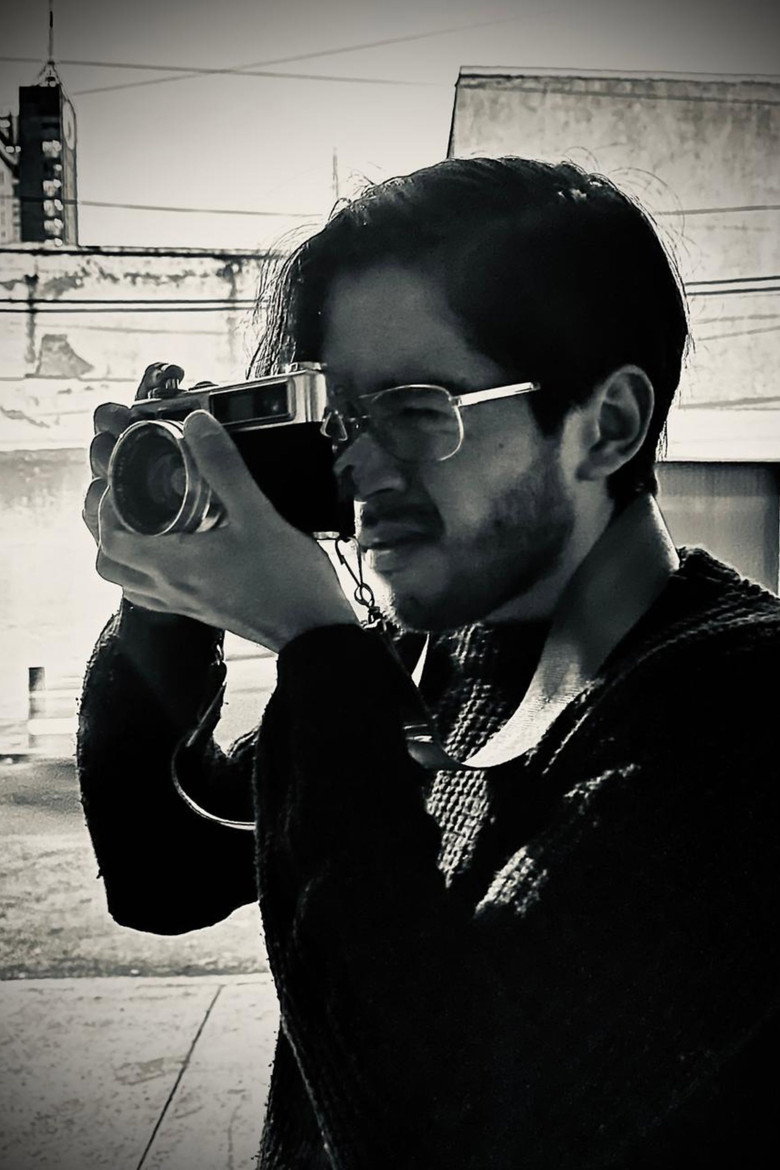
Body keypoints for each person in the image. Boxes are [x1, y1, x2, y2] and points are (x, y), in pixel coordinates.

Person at [79, 156, 779, 1169]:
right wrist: (163, 595)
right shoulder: (427, 655)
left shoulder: (743, 714)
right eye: (339, 419)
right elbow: (161, 875)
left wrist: (316, 648)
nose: (356, 466)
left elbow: (439, 1131)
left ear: (609, 426)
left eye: (414, 410)